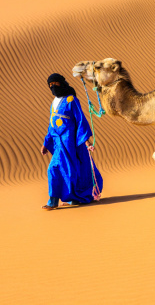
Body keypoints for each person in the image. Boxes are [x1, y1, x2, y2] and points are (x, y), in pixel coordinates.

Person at [41, 73, 103, 210]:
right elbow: (52, 124)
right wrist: (46, 143)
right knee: (56, 169)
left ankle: (60, 200)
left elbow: (80, 120)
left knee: (65, 170)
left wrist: (86, 142)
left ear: (61, 83)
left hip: (70, 142)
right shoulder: (53, 103)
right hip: (58, 143)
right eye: (50, 85)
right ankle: (59, 199)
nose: (53, 87)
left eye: (55, 84)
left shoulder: (71, 100)